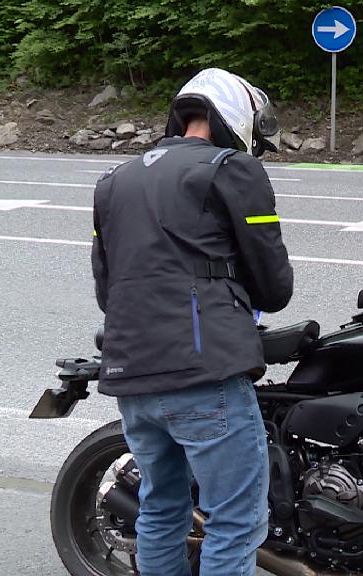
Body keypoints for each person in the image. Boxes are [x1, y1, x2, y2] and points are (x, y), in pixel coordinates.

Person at [91, 68, 293, 575]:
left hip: (132, 376)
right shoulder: (233, 169)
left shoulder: (113, 180)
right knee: (237, 521)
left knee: (160, 509)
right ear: (235, 116)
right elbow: (274, 285)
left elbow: (106, 289)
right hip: (205, 376)